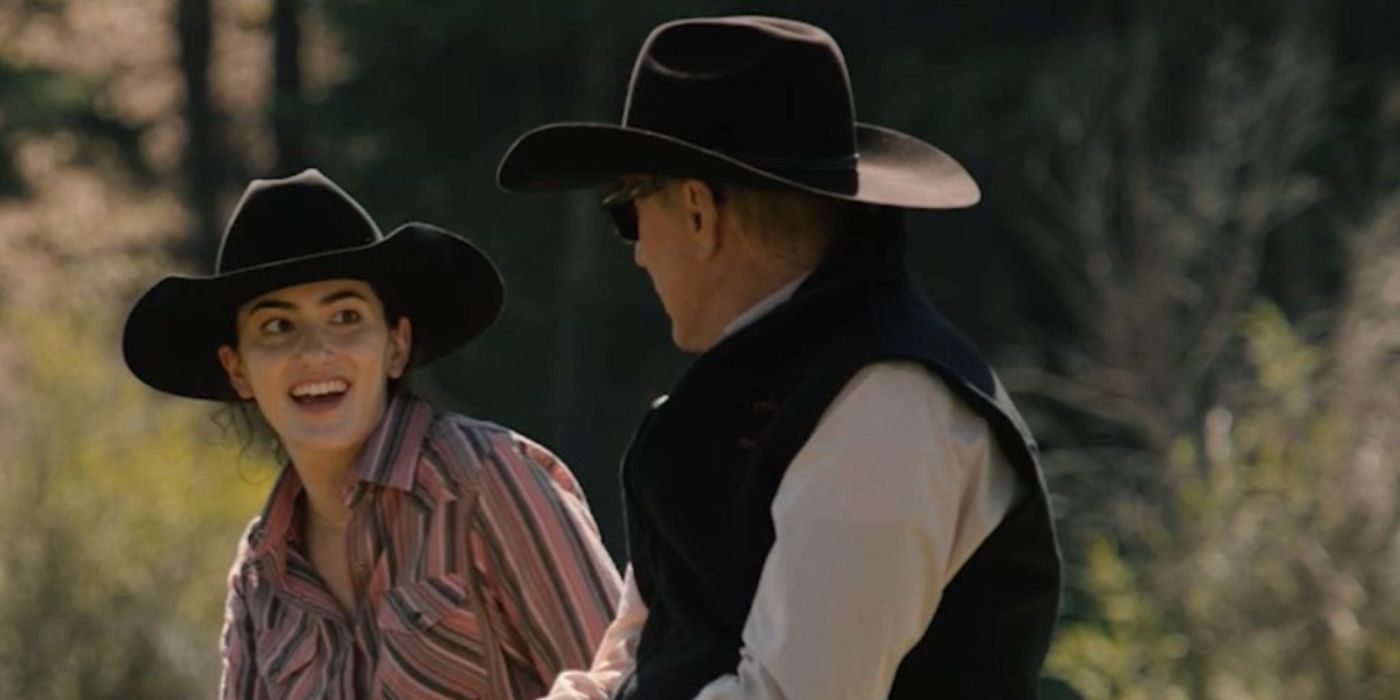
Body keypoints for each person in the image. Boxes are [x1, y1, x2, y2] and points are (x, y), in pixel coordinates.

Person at [496, 16, 1062, 700]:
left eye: (627, 212)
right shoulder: (746, 400)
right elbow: (636, 663)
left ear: (699, 212)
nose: (638, 251)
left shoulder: (888, 407)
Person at [122, 169, 621, 699]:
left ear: (396, 345)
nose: (314, 352)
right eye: (276, 326)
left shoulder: (485, 481)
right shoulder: (261, 575)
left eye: (345, 315)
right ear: (238, 369)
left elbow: (626, 684)